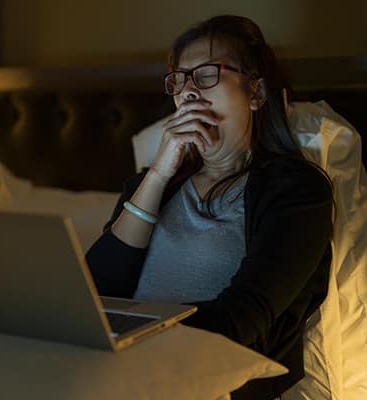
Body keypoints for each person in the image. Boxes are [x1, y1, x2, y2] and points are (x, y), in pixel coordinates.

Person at [85, 15, 333, 400]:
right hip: (119, 369)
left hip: (207, 380)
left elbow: (242, 320)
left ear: (256, 93)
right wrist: (158, 174)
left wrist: (128, 336)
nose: (188, 92)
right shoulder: (157, 186)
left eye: (205, 75)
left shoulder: (296, 191)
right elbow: (96, 291)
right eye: (179, 80)